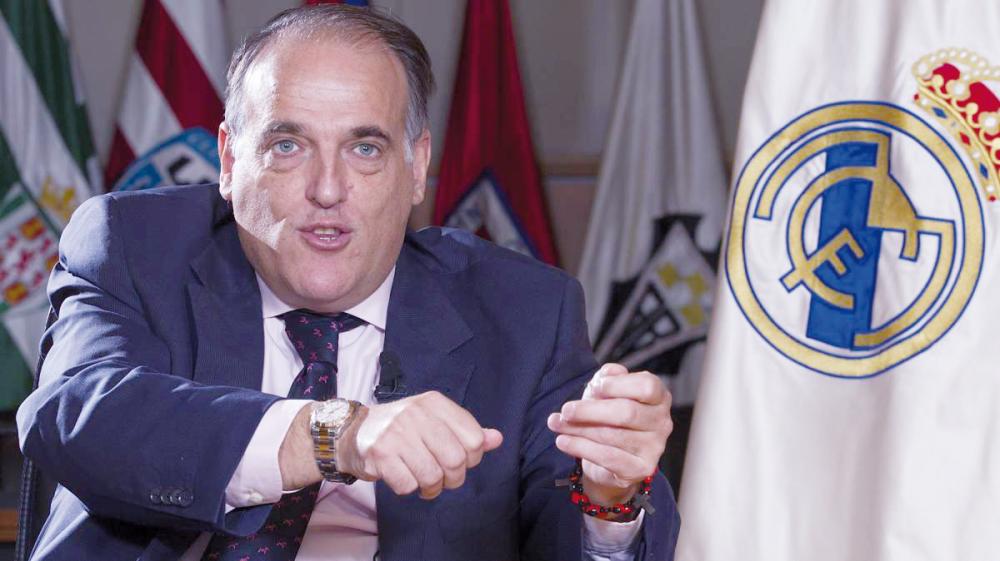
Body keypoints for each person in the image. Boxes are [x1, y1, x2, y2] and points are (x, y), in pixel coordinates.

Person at [16, 5, 678, 561]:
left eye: (365, 149)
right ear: (229, 160)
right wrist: (334, 434)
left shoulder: (526, 312)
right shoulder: (134, 247)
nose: (327, 190)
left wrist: (608, 498)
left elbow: (567, 535)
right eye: (288, 146)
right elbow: (76, 413)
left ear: (416, 167)